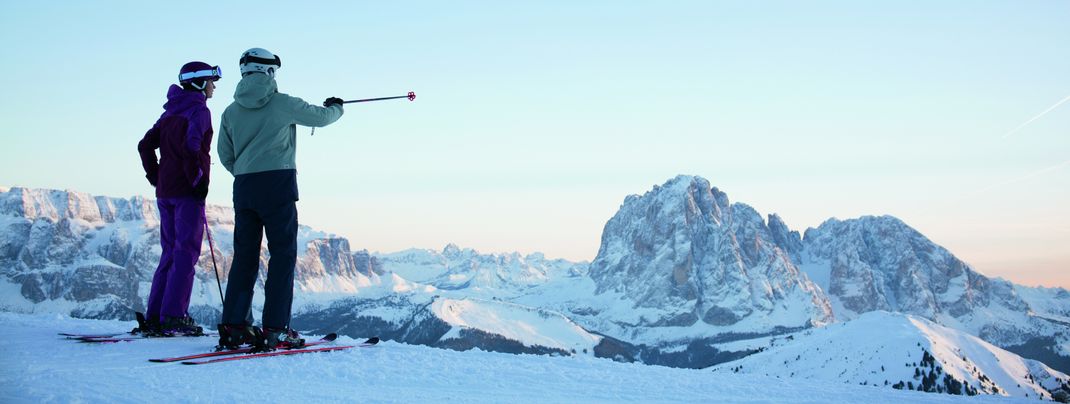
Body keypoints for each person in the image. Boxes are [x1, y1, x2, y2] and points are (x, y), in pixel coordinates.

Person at [216, 48, 345, 351]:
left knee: (244, 257)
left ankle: (234, 328)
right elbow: (322, 117)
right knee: (282, 256)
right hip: (277, 185)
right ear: (269, 71)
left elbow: (224, 154)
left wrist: (245, 171)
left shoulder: (230, 112)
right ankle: (275, 329)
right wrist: (337, 107)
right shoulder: (282, 103)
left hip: (244, 187)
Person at [136, 61, 222, 336]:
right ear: (200, 83)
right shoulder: (200, 111)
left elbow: (145, 145)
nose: (214, 86)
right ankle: (173, 316)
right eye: (212, 81)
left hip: (165, 192)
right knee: (186, 252)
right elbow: (191, 147)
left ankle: (155, 316)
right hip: (187, 192)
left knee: (170, 251)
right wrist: (198, 182)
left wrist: (156, 176)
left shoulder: (170, 112)